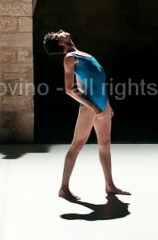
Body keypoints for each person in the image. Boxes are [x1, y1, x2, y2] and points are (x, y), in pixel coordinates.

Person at [43, 30, 130, 201]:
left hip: (102, 104)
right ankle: (64, 188)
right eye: (57, 34)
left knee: (105, 144)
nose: (61, 31)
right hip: (90, 107)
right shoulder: (69, 58)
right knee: (78, 144)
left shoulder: (80, 54)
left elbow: (85, 83)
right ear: (60, 43)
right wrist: (93, 107)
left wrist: (106, 105)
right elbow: (69, 89)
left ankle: (110, 185)